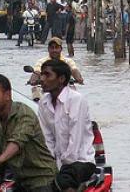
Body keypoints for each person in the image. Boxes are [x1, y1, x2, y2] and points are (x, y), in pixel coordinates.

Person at [0, 74, 58, 192]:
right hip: (19, 180)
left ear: (7, 95)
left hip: (42, 179)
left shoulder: (24, 114)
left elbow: (17, 142)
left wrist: (1, 158)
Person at [37, 60, 95, 192]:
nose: (42, 79)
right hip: (56, 163)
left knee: (60, 184)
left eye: (47, 75)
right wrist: (49, 165)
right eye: (42, 74)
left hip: (81, 161)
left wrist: (61, 168)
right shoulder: (43, 102)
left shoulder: (76, 100)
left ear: (61, 79)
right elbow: (47, 139)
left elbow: (75, 140)